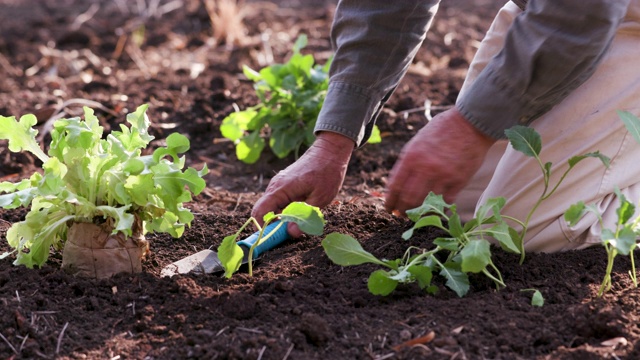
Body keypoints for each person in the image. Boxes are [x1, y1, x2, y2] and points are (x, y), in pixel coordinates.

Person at [252, 0, 640, 252]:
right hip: (546, 16)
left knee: (523, 234)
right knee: (449, 211)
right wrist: (334, 142)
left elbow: (586, 13)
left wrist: (472, 128)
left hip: (608, 19)